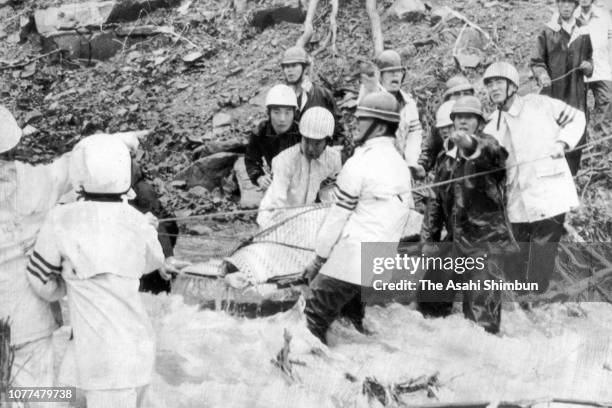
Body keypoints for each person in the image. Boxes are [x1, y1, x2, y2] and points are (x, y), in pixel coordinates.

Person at [0, 105, 147, 394]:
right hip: (27, 315)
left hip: (25, 312)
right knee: (35, 393)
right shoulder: (33, 181)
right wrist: (118, 139)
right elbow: (72, 167)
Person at [26, 135, 164, 408]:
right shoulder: (137, 221)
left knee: (52, 397)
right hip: (135, 351)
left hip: (92, 357)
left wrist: (67, 285)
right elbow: (153, 262)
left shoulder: (61, 217)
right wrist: (148, 229)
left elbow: (39, 279)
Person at [302, 92, 413, 345]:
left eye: (362, 120)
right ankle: (358, 364)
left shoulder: (359, 162)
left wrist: (319, 259)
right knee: (350, 322)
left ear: (380, 126)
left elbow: (337, 216)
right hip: (379, 258)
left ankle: (308, 372)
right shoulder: (399, 164)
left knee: (313, 317)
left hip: (353, 256)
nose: (355, 125)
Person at [483, 61, 586, 294]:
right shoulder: (490, 126)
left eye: (499, 82)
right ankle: (524, 305)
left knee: (541, 254)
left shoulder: (540, 104)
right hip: (516, 200)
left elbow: (577, 118)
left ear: (512, 85)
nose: (494, 89)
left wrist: (563, 142)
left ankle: (538, 302)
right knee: (514, 258)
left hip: (549, 193)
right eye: (489, 84)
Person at [418, 96, 515, 334]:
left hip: (486, 243)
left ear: (479, 123)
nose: (463, 122)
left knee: (481, 321)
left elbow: (493, 155)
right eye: (458, 117)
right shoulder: (443, 159)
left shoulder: (488, 145)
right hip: (455, 240)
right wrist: (428, 241)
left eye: (469, 118)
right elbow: (436, 204)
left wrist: (470, 144)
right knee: (428, 302)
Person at [531, 0, 593, 175]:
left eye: (570, 3)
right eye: (562, 2)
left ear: (575, 6)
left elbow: (589, 56)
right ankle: (554, 179)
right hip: (554, 93)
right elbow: (537, 61)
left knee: (576, 132)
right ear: (557, 5)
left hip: (576, 93)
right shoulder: (548, 30)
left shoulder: (583, 29)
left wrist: (588, 66)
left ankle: (571, 178)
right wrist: (542, 75)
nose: (566, 6)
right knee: (553, 133)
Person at [257, 107, 342, 228]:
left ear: (327, 141)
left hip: (305, 218)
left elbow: (329, 189)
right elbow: (277, 200)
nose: (310, 149)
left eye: (317, 143)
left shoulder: (333, 159)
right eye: (307, 141)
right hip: (275, 218)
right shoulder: (284, 160)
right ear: (301, 136)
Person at [357, 50, 424, 177]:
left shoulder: (409, 103)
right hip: (374, 168)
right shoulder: (372, 98)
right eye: (389, 72)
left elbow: (414, 135)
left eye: (398, 71)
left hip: (400, 167)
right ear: (380, 76)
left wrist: (411, 162)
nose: (395, 75)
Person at [130, 160, 180, 294]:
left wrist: (167, 257)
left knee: (155, 288)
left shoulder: (143, 191)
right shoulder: (124, 191)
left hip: (162, 236)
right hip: (145, 240)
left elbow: (157, 224)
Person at [280, 46, 345, 144]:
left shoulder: (322, 95)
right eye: (286, 66)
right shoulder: (282, 97)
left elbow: (338, 130)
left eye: (294, 65)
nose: (289, 70)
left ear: (304, 68)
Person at [416, 77, 476, 177]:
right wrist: (421, 166)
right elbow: (429, 152)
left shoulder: (479, 120)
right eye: (457, 94)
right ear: (447, 98)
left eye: (466, 93)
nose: (462, 97)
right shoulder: (441, 123)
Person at [245, 84, 301, 189]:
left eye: (287, 113)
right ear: (269, 113)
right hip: (275, 181)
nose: (282, 119)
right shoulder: (260, 132)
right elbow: (251, 159)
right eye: (276, 112)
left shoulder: (302, 132)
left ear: (294, 113)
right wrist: (259, 177)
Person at [575, 0, 612, 136]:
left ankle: (603, 144)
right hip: (579, 72)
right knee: (578, 109)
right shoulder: (569, 15)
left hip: (602, 70)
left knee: (607, 102)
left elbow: (610, 44)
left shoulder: (604, 15)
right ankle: (582, 142)